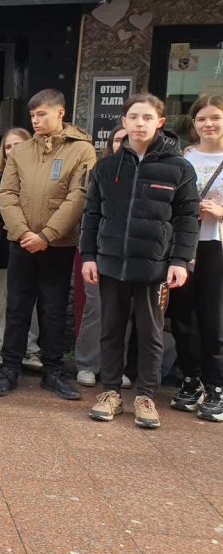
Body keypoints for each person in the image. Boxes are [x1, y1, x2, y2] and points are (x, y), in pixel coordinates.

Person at [81, 93, 198, 428]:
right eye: (133, 117)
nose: (139, 123)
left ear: (160, 122)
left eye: (147, 117)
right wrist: (88, 256)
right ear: (124, 121)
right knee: (111, 329)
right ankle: (110, 392)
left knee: (150, 332)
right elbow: (92, 214)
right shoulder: (107, 167)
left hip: (153, 266)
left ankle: (146, 396)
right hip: (110, 263)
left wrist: (180, 260)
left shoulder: (179, 167)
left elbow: (187, 218)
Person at [0, 88, 97, 399]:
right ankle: (10, 368)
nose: (35, 120)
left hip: (58, 244)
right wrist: (23, 232)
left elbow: (78, 197)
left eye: (42, 114)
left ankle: (53, 370)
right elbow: (7, 193)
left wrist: (46, 235)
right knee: (17, 307)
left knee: (53, 308)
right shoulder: (22, 151)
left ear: (60, 113)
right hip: (21, 241)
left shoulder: (82, 150)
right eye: (32, 115)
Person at [169, 93, 223, 420]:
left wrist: (220, 212)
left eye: (215, 117)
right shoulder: (185, 158)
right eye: (202, 119)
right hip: (185, 246)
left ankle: (216, 386)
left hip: (216, 245)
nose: (208, 124)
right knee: (183, 316)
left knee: (214, 319)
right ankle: (191, 380)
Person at [0, 128, 42, 372]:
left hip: (32, 242)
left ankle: (29, 348)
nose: (13, 150)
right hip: (2, 243)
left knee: (29, 298)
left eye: (19, 145)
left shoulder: (40, 173)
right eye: (8, 146)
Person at [74, 125, 129, 387]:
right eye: (117, 139)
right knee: (95, 308)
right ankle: (87, 363)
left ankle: (116, 368)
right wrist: (88, 253)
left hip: (132, 254)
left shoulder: (147, 171)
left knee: (125, 312)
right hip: (100, 249)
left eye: (126, 139)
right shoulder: (101, 170)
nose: (122, 144)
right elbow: (89, 213)